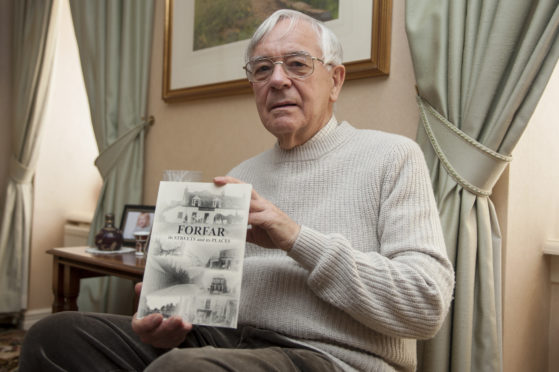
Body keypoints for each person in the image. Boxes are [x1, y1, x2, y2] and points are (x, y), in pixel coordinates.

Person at [19, 9, 454, 372]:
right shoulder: (241, 176)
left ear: (336, 81)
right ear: (253, 86)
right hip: (230, 340)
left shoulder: (393, 157)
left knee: (182, 370)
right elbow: (197, 299)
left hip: (329, 358)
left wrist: (294, 236)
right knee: (53, 336)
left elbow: (426, 305)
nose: (278, 80)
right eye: (262, 69)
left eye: (298, 64)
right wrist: (169, 315)